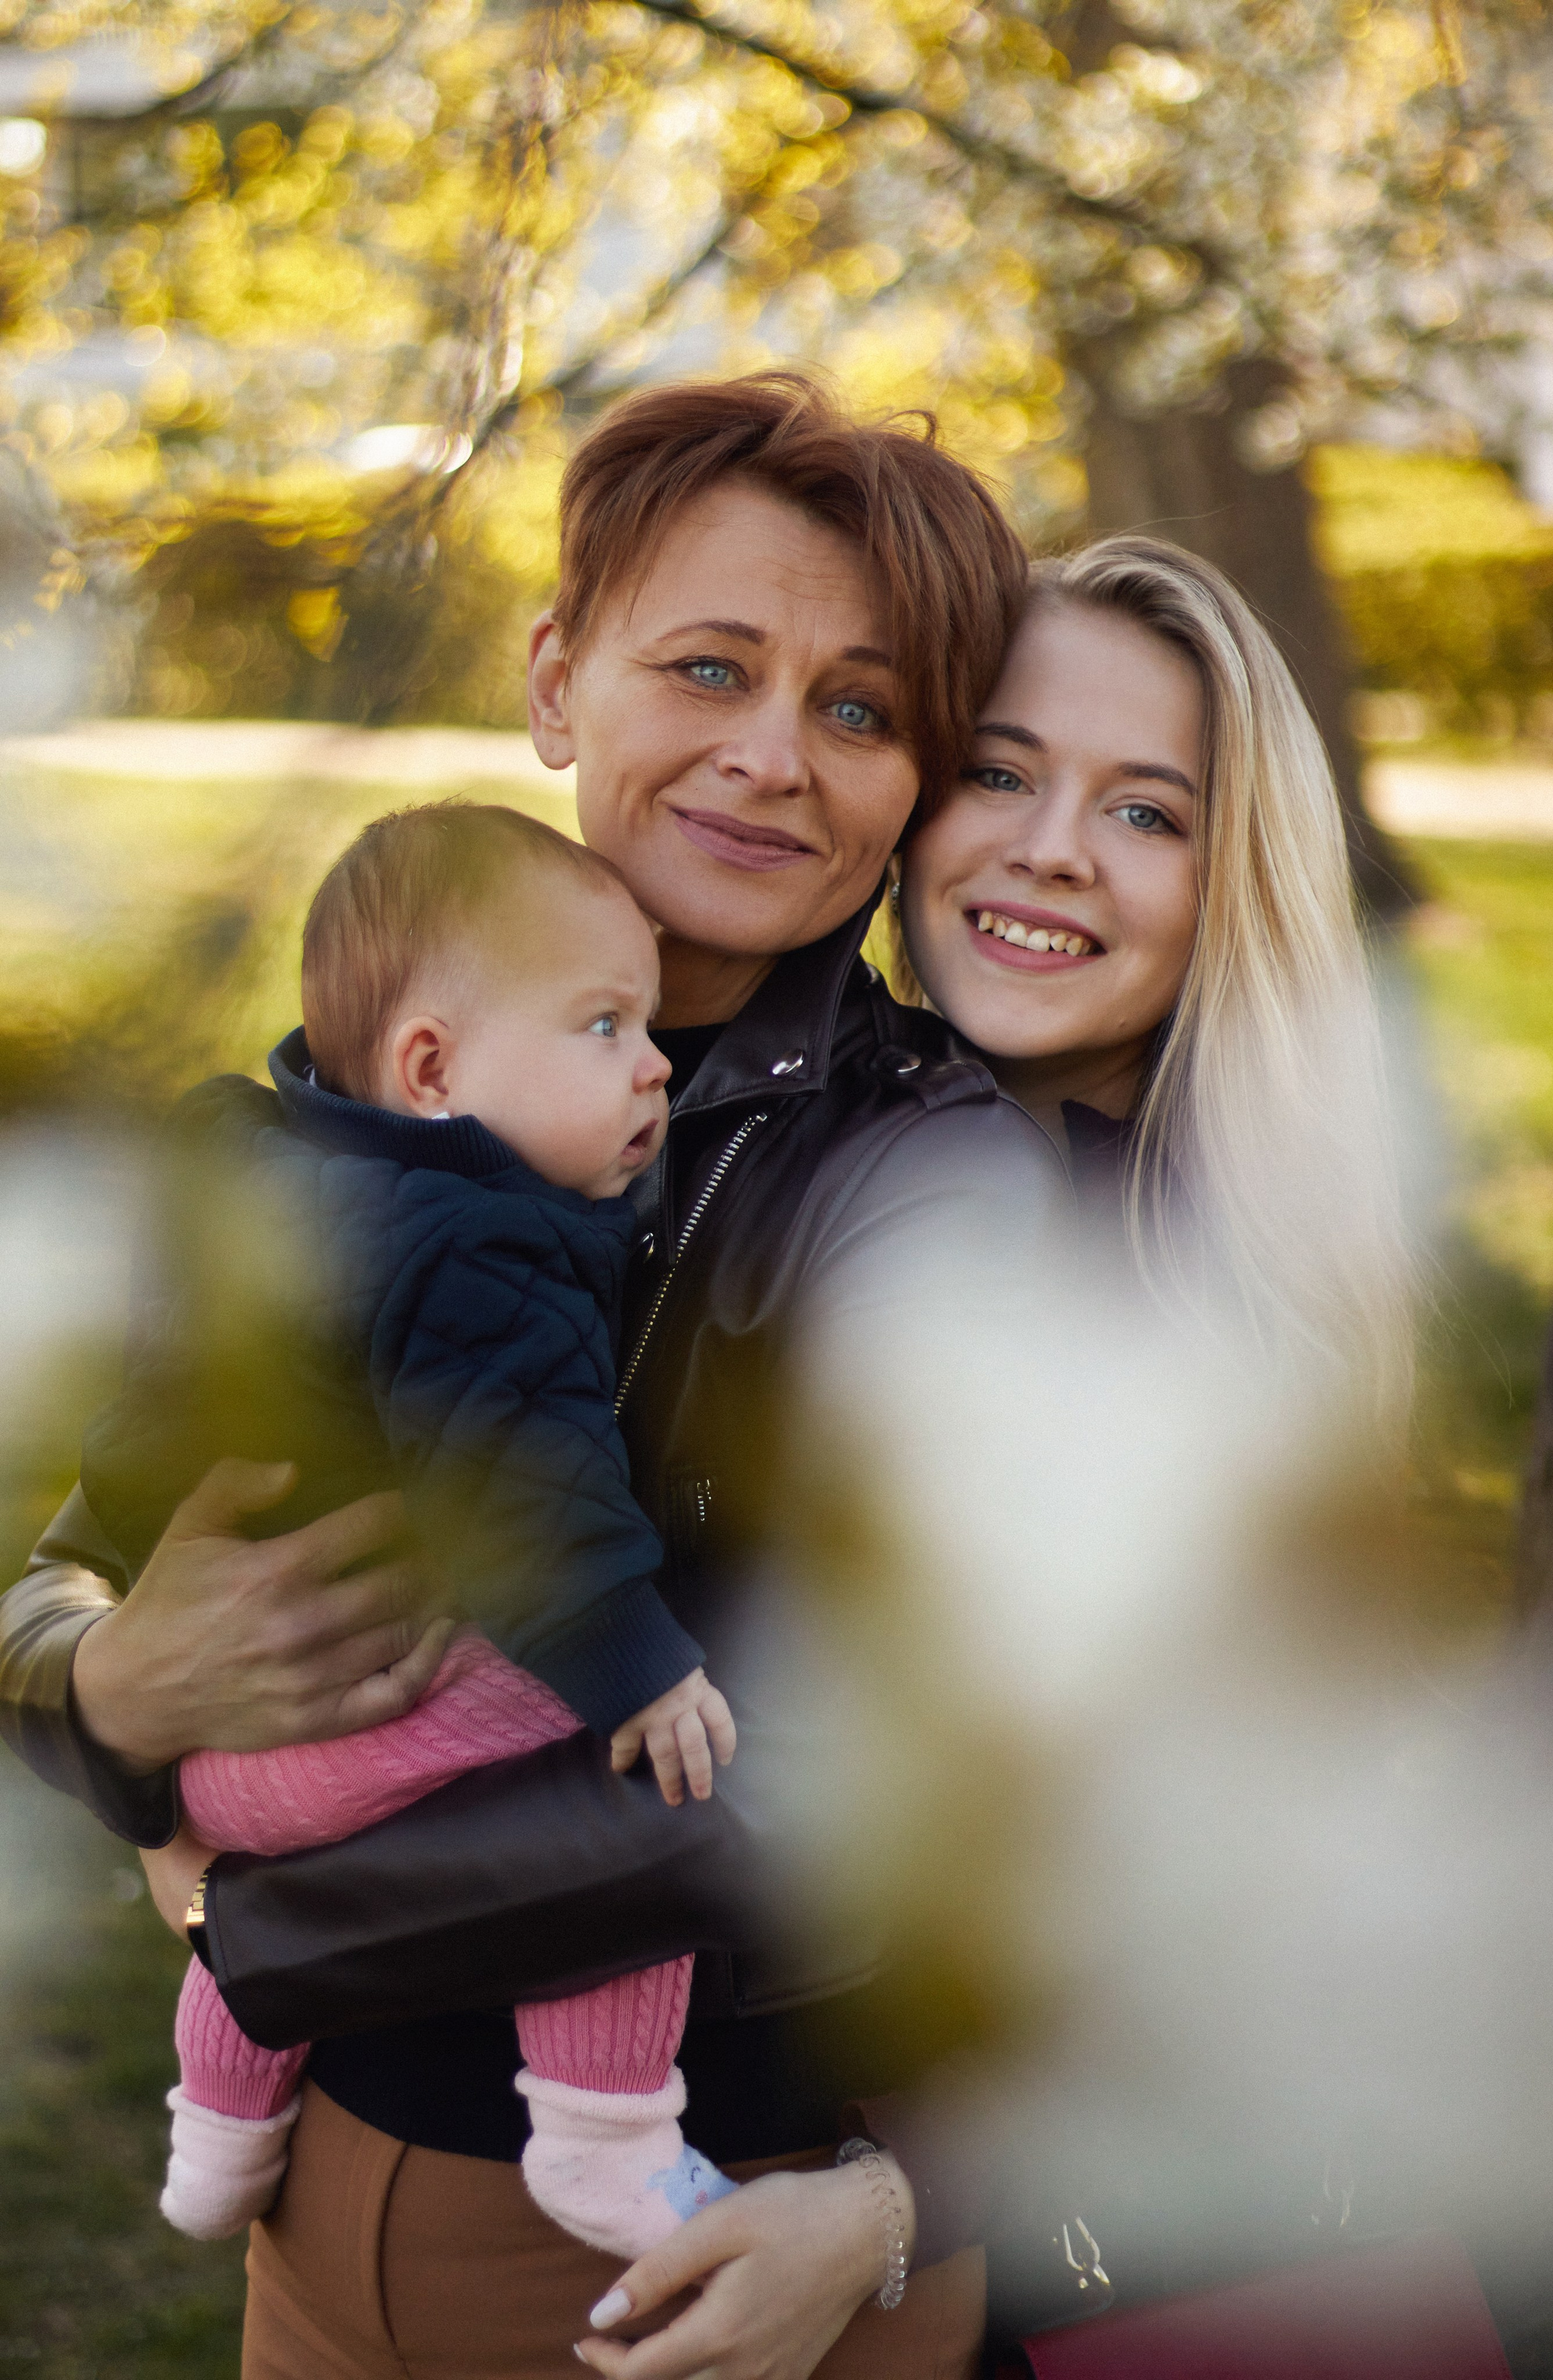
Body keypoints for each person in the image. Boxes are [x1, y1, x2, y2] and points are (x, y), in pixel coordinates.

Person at [0, 372, 1056, 2380]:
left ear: (919, 781)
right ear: (561, 683)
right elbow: (83, 1550)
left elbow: (851, 1784)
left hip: (695, 2221)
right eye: (710, 667)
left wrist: (243, 1902)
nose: (770, 755)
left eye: (859, 711)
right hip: (315, 2207)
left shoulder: (924, 1181)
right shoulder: (378, 1081)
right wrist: (110, 1691)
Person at [80, 800, 745, 2255]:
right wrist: (638, 1666)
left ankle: (220, 2123)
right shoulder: (477, 1247)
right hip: (347, 1725)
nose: (653, 1065)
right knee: (633, 1768)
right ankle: (604, 2133)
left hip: (222, 1758)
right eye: (604, 1026)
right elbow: (530, 1492)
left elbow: (132, 1443)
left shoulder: (272, 1177)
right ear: (432, 1070)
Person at [892, 539, 1410, 1414]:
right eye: (998, 774)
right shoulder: (750, 1125)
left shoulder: (1220, 1335)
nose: (1050, 851)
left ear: (1240, 889)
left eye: (1144, 814)